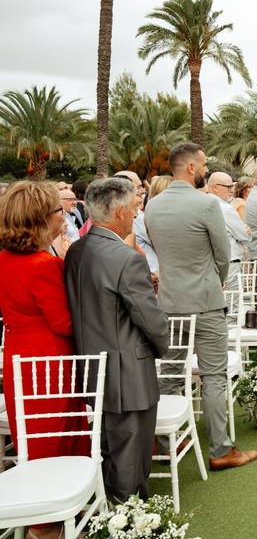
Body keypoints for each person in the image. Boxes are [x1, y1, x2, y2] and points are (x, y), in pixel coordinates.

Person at [145, 142, 257, 471]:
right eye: (204, 164)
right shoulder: (207, 204)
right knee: (214, 376)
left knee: (169, 373)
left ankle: (166, 441)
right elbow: (223, 256)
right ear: (191, 167)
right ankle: (221, 449)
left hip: (168, 301)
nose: (206, 169)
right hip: (206, 301)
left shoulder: (152, 206)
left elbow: (160, 249)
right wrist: (215, 280)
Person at [64, 177, 169, 502]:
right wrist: (163, 345)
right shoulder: (126, 258)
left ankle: (116, 512)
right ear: (120, 211)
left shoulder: (77, 251)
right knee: (131, 458)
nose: (137, 215)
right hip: (129, 371)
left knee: (110, 449)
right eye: (135, 209)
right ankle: (130, 520)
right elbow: (150, 319)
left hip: (92, 366)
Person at [0, 181, 91, 539]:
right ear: (40, 219)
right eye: (58, 210)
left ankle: (52, 511)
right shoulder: (42, 265)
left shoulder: (4, 258)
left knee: (32, 432)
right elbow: (63, 322)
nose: (63, 215)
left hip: (17, 353)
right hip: (47, 359)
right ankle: (48, 521)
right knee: (56, 433)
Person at [208, 172, 251, 292]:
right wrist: (246, 231)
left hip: (209, 265)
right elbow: (244, 236)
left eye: (232, 186)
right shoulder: (225, 209)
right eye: (228, 187)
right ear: (215, 187)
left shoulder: (203, 204)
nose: (232, 190)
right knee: (233, 307)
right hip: (229, 264)